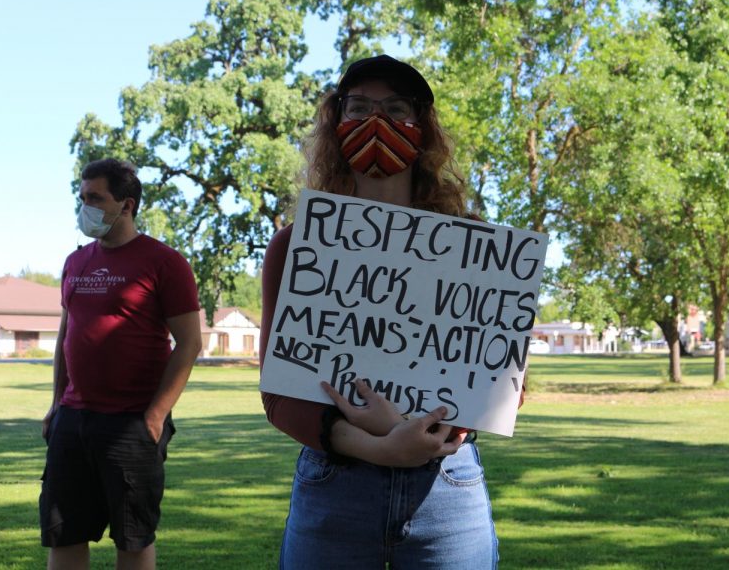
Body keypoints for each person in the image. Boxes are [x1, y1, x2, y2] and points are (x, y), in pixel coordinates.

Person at [260, 55, 503, 569]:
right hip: (335, 485)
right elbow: (279, 391)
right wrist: (380, 448)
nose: (378, 122)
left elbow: (500, 379)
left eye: (396, 109)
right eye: (360, 107)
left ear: (424, 130)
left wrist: (432, 433)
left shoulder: (475, 245)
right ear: (335, 124)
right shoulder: (296, 246)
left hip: (446, 485)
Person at [39, 158, 203, 570]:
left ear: (126, 205)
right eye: (81, 198)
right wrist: (56, 403)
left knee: (132, 538)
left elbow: (189, 343)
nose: (85, 207)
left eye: (96, 198)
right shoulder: (75, 262)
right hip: (74, 420)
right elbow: (65, 337)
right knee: (64, 533)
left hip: (131, 424)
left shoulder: (165, 262)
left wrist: (156, 415)